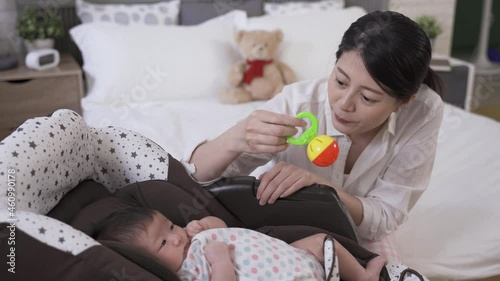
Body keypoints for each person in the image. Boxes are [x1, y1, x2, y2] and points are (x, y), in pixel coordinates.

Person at [181, 10, 445, 260]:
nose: (344, 104)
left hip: (359, 232)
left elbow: (384, 218)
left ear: (403, 102)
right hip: (283, 223)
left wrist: (322, 189)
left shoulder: (423, 112)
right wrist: (236, 136)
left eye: (367, 97)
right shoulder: (297, 106)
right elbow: (194, 180)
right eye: (340, 81)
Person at [93, 207, 387, 281]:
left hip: (294, 257)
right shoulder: (187, 272)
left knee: (322, 242)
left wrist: (204, 224)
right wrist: (220, 262)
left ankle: (363, 277)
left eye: (170, 225)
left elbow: (223, 229)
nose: (176, 236)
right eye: (163, 243)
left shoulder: (191, 237)